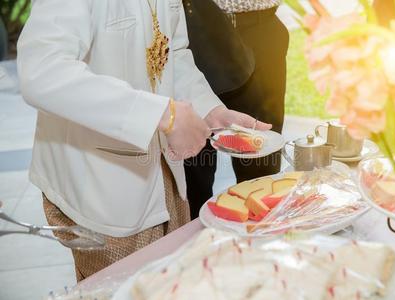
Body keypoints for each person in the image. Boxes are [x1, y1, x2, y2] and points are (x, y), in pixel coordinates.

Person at [17, 0, 270, 281]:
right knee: (123, 288)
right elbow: (42, 72)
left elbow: (171, 53)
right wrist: (159, 114)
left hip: (163, 171)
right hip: (101, 183)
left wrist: (210, 110)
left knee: (170, 282)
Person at [183, 0, 289, 219]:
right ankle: (197, 242)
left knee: (261, 156)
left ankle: (260, 242)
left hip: (258, 28)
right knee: (193, 162)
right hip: (194, 29)